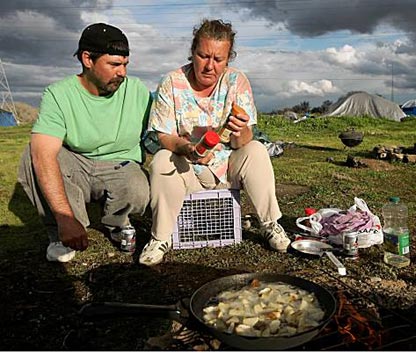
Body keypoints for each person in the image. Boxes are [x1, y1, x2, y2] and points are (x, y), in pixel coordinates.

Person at [139, 19, 290, 266]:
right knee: (162, 159)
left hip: (226, 169)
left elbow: (243, 140)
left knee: (256, 149)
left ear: (228, 59)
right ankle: (160, 237)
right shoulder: (172, 82)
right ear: (193, 52)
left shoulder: (236, 81)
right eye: (203, 56)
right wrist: (188, 149)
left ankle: (270, 223)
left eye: (218, 59)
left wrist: (240, 130)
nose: (209, 66)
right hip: (188, 171)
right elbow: (163, 135)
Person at [17, 23, 152, 262]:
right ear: (87, 59)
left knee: (137, 186)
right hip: (77, 162)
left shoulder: (137, 91)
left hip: (120, 164)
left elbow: (161, 133)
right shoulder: (58, 94)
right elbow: (43, 155)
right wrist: (65, 218)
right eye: (114, 65)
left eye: (125, 65)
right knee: (34, 154)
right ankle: (61, 232)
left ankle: (118, 225)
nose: (122, 72)